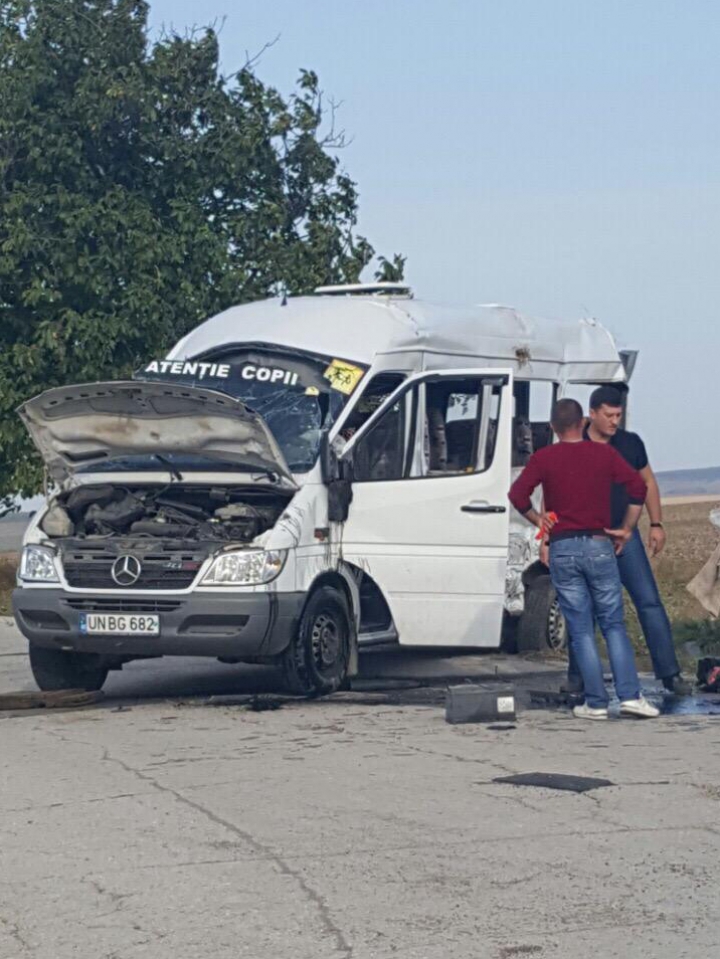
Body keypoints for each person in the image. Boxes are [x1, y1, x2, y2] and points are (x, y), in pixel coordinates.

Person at [509, 398, 659, 720]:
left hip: (563, 548)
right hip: (599, 543)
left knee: (580, 630)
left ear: (552, 427)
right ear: (582, 424)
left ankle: (595, 702)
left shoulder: (544, 457)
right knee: (613, 624)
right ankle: (631, 696)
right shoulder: (604, 454)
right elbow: (637, 487)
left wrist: (539, 521)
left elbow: (517, 495)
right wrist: (627, 528)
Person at [565, 386, 690, 695]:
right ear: (591, 414)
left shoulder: (630, 443)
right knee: (585, 609)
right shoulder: (572, 444)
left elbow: (648, 481)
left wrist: (657, 524)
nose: (614, 421)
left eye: (618, 415)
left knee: (649, 602)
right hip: (586, 539)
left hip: (626, 537)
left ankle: (670, 674)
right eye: (608, 415)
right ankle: (578, 678)